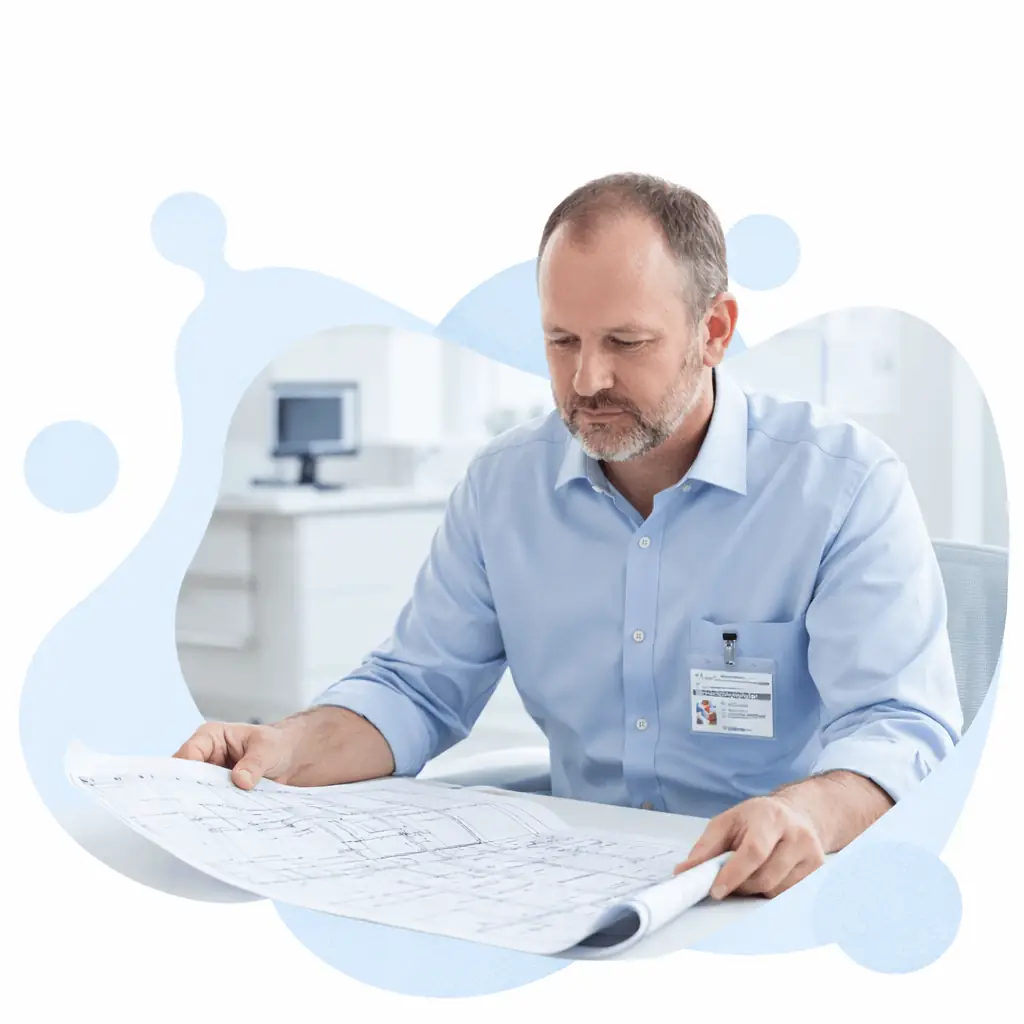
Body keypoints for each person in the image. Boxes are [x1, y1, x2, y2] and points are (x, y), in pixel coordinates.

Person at [174, 172, 962, 901]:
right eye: (562, 341)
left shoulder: (843, 485)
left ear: (715, 330)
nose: (587, 380)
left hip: (769, 887)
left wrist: (805, 814)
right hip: (574, 885)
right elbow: (416, 690)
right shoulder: (502, 488)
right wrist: (285, 747)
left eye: (626, 343)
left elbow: (899, 726)